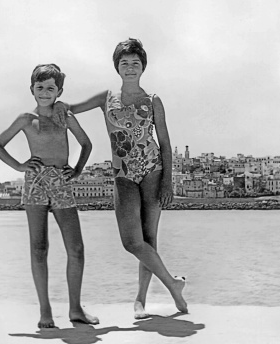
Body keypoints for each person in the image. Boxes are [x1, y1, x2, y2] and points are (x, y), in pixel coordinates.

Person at [54, 38, 187, 319]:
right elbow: (70, 109)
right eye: (124, 63)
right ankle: (173, 284)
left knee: (149, 239)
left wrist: (168, 182)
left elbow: (164, 142)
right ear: (117, 67)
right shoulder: (106, 97)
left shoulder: (153, 101)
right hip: (122, 174)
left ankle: (140, 301)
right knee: (131, 242)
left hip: (153, 170)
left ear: (143, 68)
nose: (130, 68)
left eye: (135, 63)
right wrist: (53, 101)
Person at [0, 64, 98, 327]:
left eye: (51, 88)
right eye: (40, 87)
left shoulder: (65, 115)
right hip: (35, 183)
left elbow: (86, 143)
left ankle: (75, 309)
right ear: (32, 89)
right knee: (39, 248)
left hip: (61, 181)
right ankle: (45, 312)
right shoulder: (26, 118)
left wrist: (77, 170)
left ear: (59, 90)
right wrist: (19, 166)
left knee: (76, 248)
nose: (45, 92)